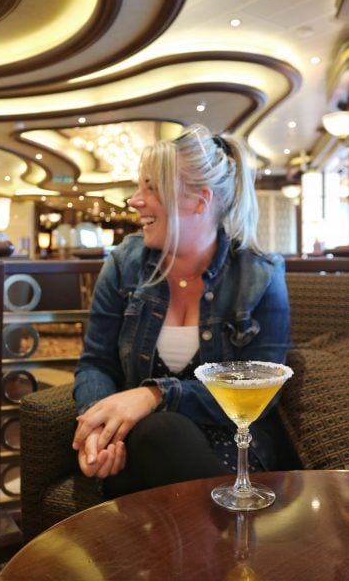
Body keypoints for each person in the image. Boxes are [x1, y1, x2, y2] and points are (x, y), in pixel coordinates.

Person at [72, 123, 300, 498]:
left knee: (163, 431)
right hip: (136, 437)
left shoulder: (259, 275)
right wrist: (100, 429)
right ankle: (239, 547)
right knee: (152, 437)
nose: (134, 200)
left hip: (231, 443)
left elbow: (263, 386)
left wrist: (155, 395)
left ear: (199, 200)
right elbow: (96, 363)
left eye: (151, 187)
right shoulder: (123, 264)